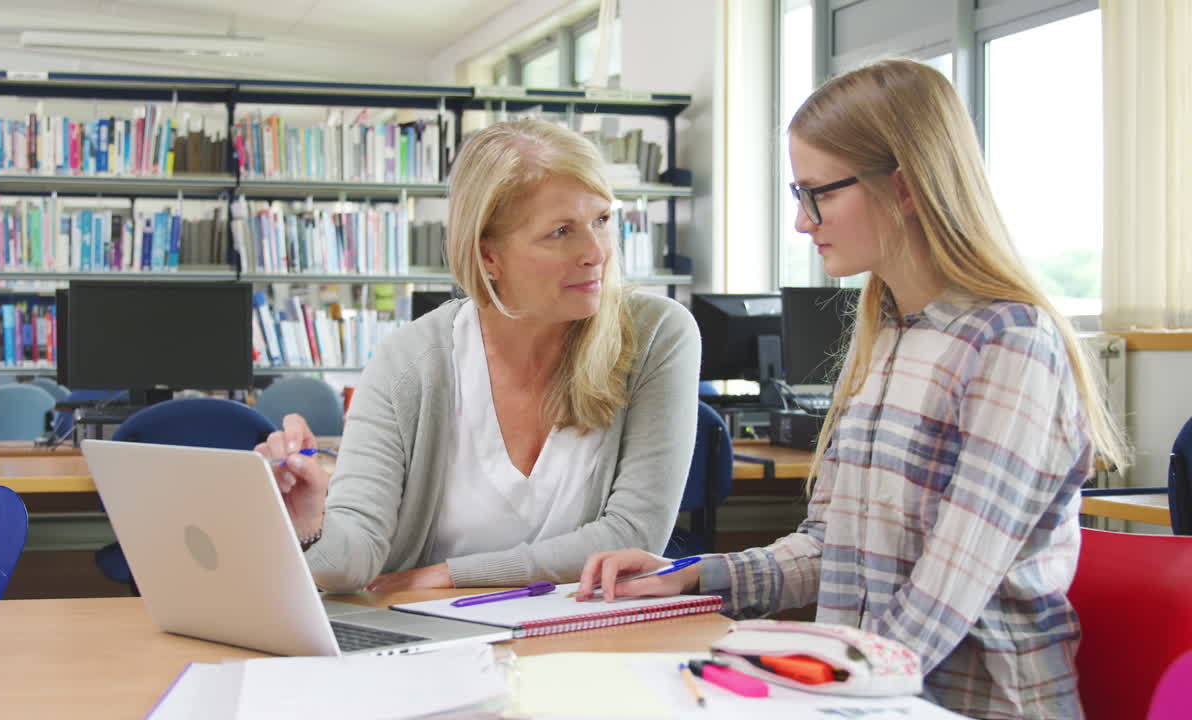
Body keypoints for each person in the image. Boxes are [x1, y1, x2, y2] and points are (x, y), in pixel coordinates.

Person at [577, 59, 1127, 720]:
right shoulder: (884, 336)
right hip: (872, 695)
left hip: (968, 705)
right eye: (797, 195)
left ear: (905, 188)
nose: (803, 224)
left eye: (819, 194)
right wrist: (689, 577)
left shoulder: (1009, 346)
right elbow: (829, 550)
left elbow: (941, 597)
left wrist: (806, 686)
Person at [257, 117, 701, 595]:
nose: (595, 252)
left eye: (602, 220)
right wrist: (308, 525)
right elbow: (358, 555)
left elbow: (634, 535)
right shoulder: (409, 363)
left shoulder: (657, 334)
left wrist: (455, 574)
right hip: (436, 641)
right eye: (560, 232)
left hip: (590, 638)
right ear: (489, 255)